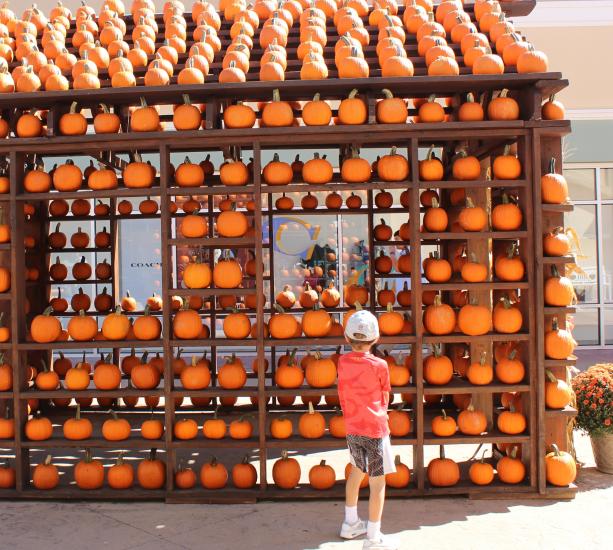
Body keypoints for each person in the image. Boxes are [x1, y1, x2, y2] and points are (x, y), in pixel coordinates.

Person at [337, 309, 397, 550]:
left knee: (355, 472)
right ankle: (373, 537)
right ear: (375, 339)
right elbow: (385, 395)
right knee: (377, 482)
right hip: (375, 429)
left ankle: (350, 523)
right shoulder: (380, 365)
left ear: (347, 338)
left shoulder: (342, 361)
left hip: (353, 426)